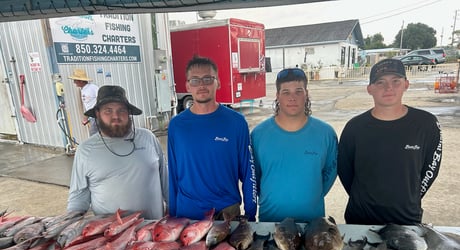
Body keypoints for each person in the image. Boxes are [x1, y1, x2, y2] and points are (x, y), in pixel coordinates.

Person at [337, 58, 442, 225]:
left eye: (396, 81)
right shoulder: (354, 128)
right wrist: (362, 198)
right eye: (380, 82)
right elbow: (344, 170)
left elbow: (431, 169)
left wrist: (411, 197)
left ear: (406, 84)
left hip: (406, 220)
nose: (388, 88)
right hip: (360, 220)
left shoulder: (426, 124)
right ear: (370, 89)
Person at [167, 55, 257, 221]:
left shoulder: (236, 123)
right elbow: (172, 175)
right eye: (195, 80)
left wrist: (251, 215)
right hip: (187, 215)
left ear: (218, 82)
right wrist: (172, 215)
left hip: (226, 214)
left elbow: (248, 172)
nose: (201, 85)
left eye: (208, 79)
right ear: (187, 85)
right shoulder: (177, 126)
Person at [67, 85, 168, 220]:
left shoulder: (147, 138)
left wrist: (177, 216)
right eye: (108, 111)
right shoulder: (86, 150)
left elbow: (167, 184)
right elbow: (78, 200)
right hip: (112, 236)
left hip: (154, 232)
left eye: (121, 110)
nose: (116, 116)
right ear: (97, 114)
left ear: (128, 113)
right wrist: (70, 227)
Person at [251, 68, 338, 223]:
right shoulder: (258, 135)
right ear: (277, 96)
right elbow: (255, 177)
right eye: (286, 92)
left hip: (312, 224)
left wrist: (311, 196)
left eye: (298, 91)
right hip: (270, 222)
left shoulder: (326, 133)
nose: (292, 98)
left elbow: (329, 173)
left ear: (306, 94)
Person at [68, 68, 99, 136]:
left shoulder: (93, 88)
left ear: (81, 81)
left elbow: (100, 99)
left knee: (94, 136)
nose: (74, 82)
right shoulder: (83, 90)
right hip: (92, 116)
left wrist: (88, 114)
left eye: (75, 80)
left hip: (97, 116)